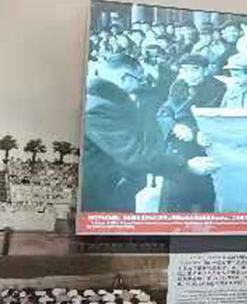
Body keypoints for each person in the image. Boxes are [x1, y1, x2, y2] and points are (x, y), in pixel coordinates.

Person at [81, 54, 216, 212]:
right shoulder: (99, 107)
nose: (141, 85)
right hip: (99, 191)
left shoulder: (95, 99)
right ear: (124, 77)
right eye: (139, 79)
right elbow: (132, 153)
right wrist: (185, 165)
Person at [155, 53, 226, 212]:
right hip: (178, 147)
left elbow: (218, 120)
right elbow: (163, 112)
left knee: (203, 201)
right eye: (185, 70)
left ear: (206, 70)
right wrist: (174, 127)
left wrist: (193, 133)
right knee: (172, 201)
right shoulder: (178, 86)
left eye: (195, 69)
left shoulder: (218, 89)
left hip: (203, 149)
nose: (190, 75)